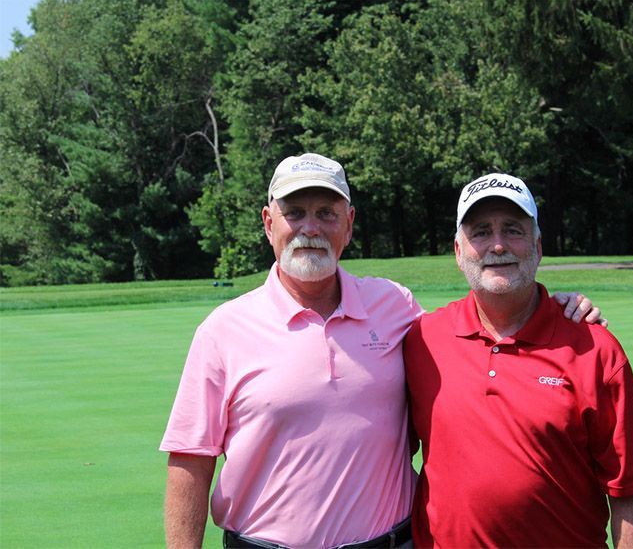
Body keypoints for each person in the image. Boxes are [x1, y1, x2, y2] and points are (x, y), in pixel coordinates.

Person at [160, 153, 603, 549]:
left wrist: (551, 303)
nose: (311, 228)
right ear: (268, 222)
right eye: (295, 213)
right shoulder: (223, 330)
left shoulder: (395, 307)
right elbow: (189, 462)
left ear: (349, 225)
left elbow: (482, 325)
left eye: (327, 214)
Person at [404, 173, 633, 548]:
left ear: (538, 247)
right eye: (480, 232)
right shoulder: (422, 340)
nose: (498, 245)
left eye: (513, 230)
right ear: (459, 252)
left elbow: (629, 490)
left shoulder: (595, 349)